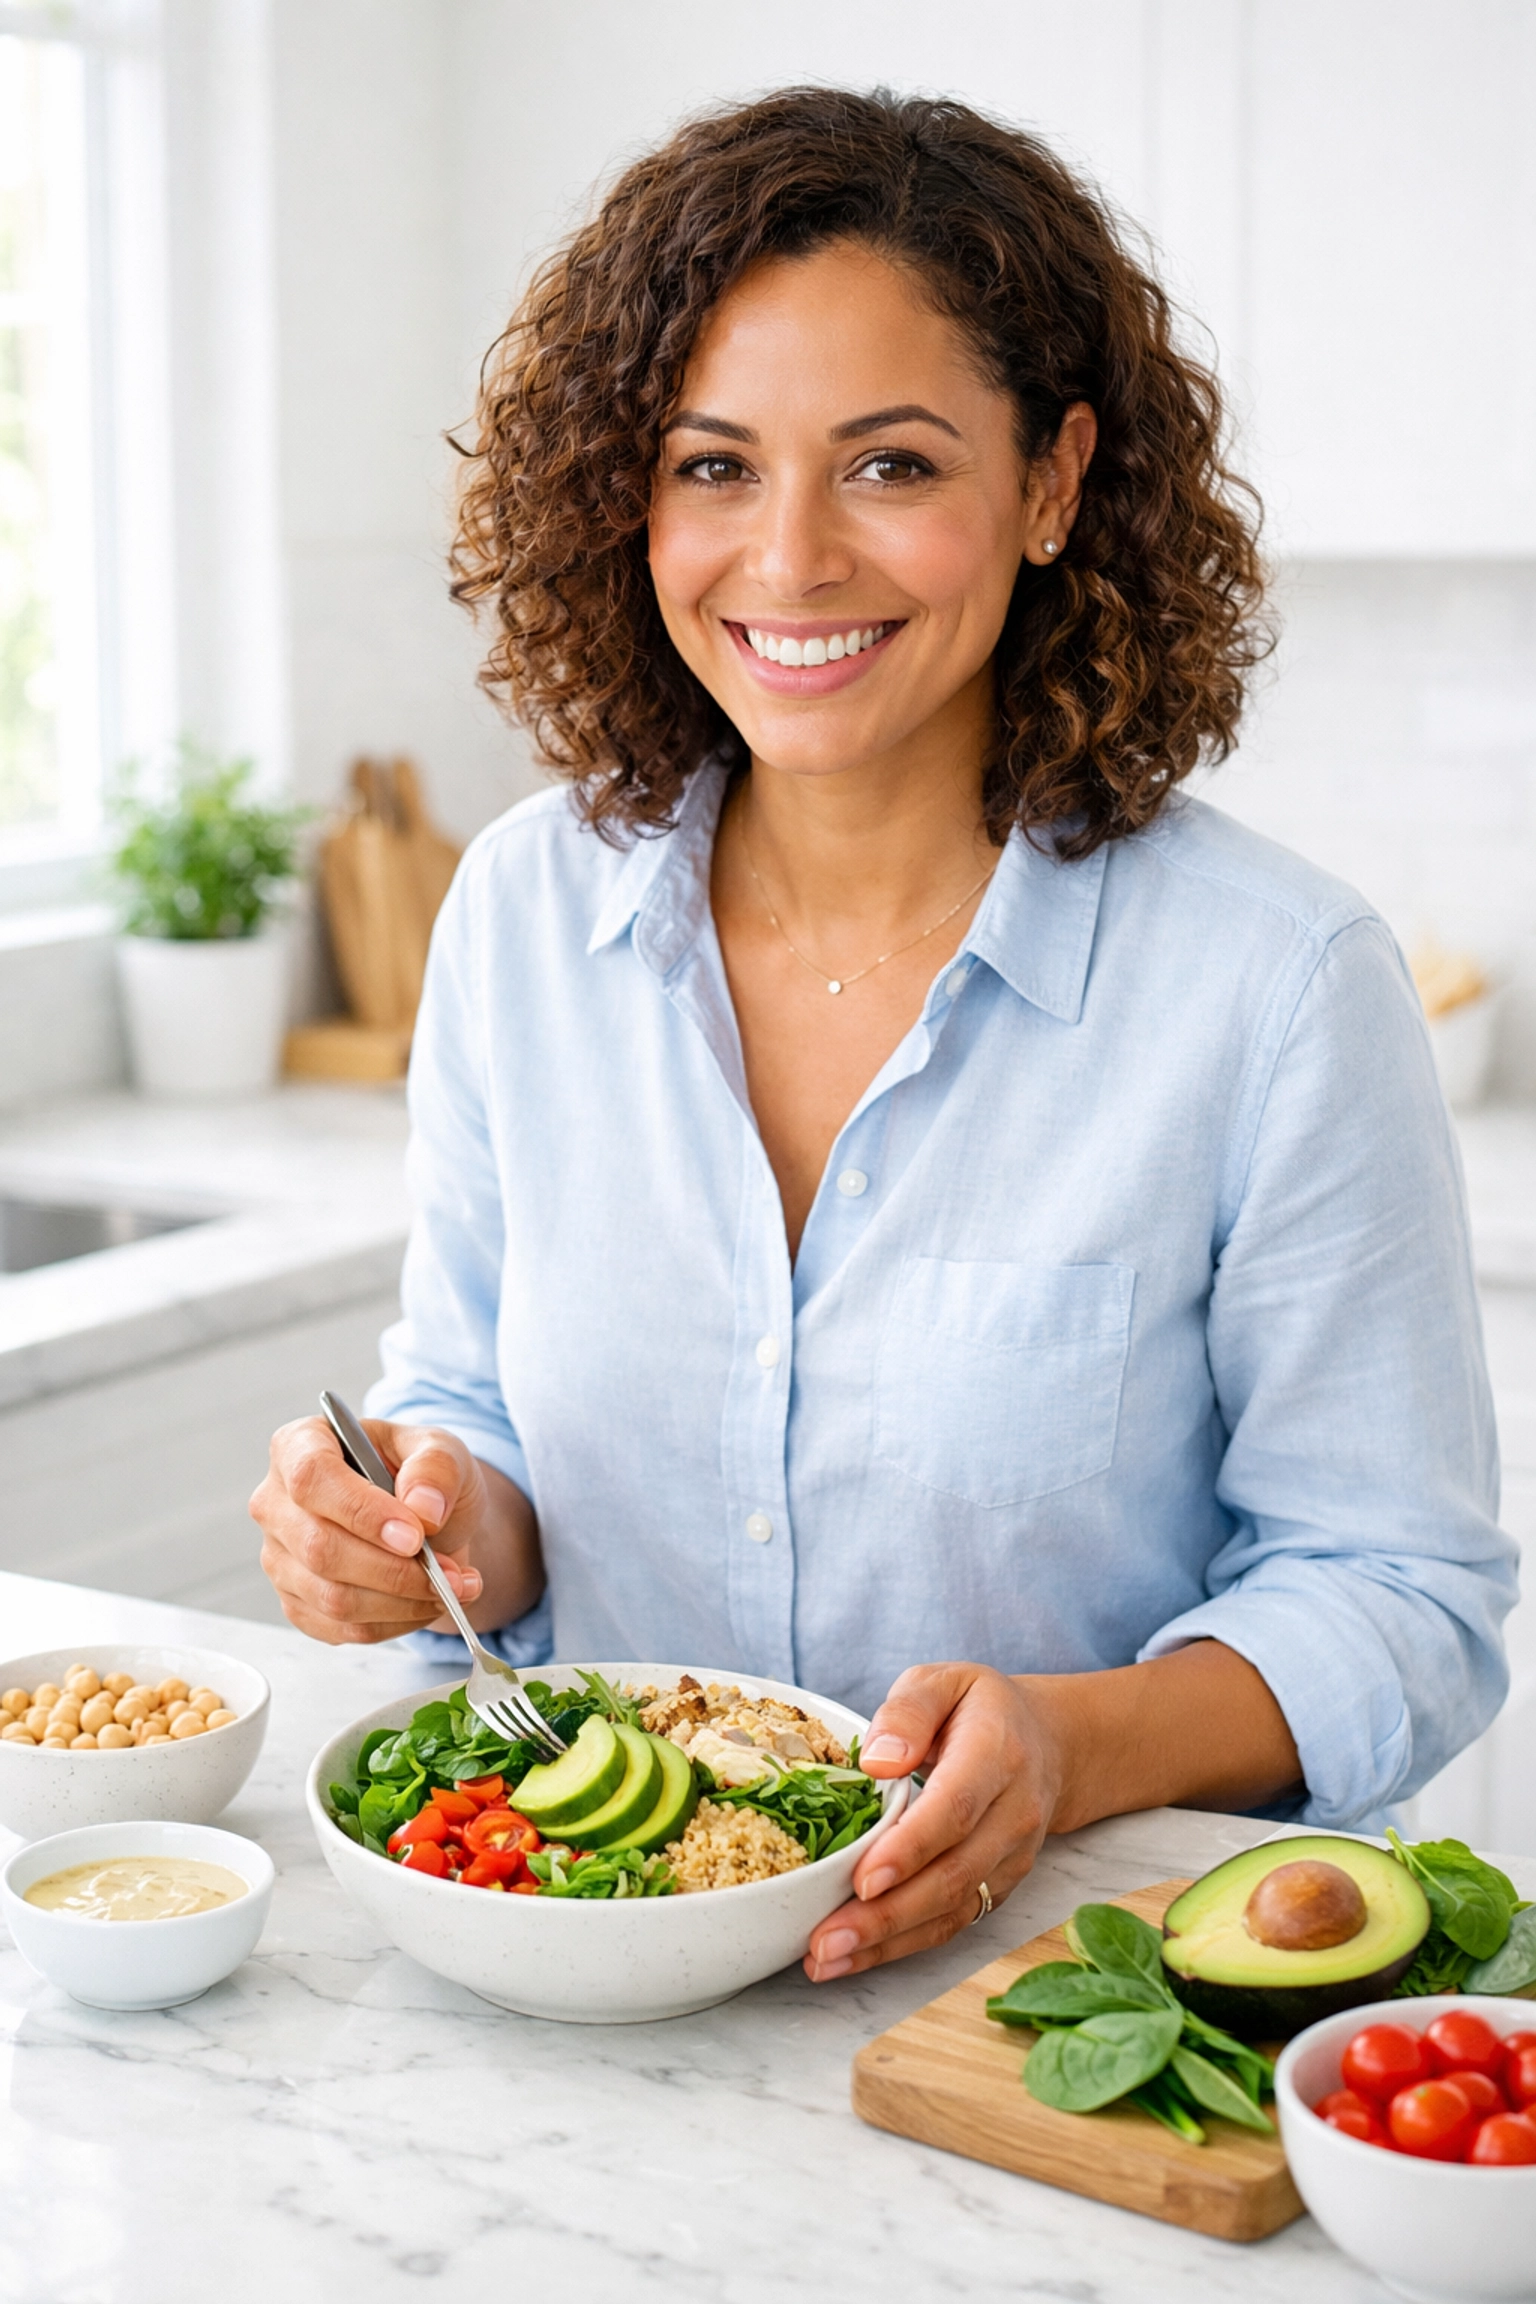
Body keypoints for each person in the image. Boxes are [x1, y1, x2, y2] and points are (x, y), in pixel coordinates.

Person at [252, 88, 1513, 1985]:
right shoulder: (525, 913)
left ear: (1057, 481)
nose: (792, 558)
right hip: (593, 1967)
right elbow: (486, 1412)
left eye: (894, 466)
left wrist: (1077, 1741)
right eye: (713, 465)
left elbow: (1403, 1594)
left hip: (1061, 1997)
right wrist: (428, 1524)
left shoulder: (1277, 988)